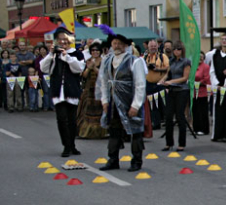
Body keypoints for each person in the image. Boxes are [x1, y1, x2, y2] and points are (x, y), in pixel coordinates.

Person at [97, 34, 147, 172]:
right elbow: (104, 82)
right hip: (114, 102)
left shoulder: (134, 61)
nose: (117, 46)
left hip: (129, 100)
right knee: (114, 131)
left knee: (135, 131)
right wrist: (105, 101)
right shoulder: (107, 61)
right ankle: (113, 159)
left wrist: (136, 105)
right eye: (114, 43)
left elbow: (140, 84)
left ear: (125, 45)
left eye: (120, 43)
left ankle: (136, 161)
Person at [41, 28, 86, 157]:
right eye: (60, 39)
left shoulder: (76, 54)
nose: (63, 42)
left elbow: (79, 68)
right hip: (57, 92)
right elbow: (43, 68)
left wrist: (67, 57)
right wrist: (51, 55)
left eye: (65, 39)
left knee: (72, 120)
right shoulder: (54, 54)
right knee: (61, 119)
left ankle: (72, 145)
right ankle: (66, 146)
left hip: (72, 91)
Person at [162, 41, 191, 152]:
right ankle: (169, 143)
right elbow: (167, 74)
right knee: (168, 116)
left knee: (180, 116)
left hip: (182, 90)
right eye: (174, 49)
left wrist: (171, 81)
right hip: (172, 90)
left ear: (182, 50)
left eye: (178, 49)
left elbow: (185, 78)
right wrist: (163, 79)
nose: (176, 51)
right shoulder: (171, 61)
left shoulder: (186, 62)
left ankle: (181, 143)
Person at [75, 43, 107, 139]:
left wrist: (94, 68)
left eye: (97, 50)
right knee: (86, 110)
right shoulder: (88, 61)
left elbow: (104, 75)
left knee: (100, 110)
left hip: (100, 89)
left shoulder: (104, 61)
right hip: (89, 89)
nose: (95, 52)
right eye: (93, 50)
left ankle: (101, 132)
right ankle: (86, 132)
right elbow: (84, 75)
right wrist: (89, 68)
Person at [209, 35, 226, 142]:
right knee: (218, 110)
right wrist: (216, 84)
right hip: (218, 86)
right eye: (222, 39)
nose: (224, 41)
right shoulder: (215, 55)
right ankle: (218, 134)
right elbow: (212, 70)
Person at [144, 39, 169, 130]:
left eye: (154, 46)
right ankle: (156, 123)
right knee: (153, 105)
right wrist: (147, 66)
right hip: (149, 84)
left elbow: (167, 68)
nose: (153, 48)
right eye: (151, 46)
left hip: (160, 83)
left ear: (157, 46)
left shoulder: (163, 56)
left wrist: (157, 69)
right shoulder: (145, 57)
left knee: (164, 103)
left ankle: (168, 121)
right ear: (148, 47)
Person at [192, 51, 211, 136]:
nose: (200, 58)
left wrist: (198, 83)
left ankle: (204, 129)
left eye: (201, 57)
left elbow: (207, 78)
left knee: (202, 111)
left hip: (202, 91)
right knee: (195, 111)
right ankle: (196, 128)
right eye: (198, 57)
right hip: (193, 92)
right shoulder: (193, 67)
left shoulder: (206, 67)